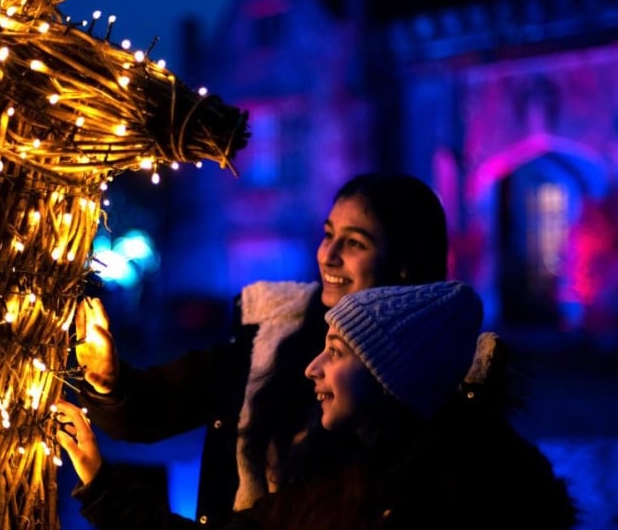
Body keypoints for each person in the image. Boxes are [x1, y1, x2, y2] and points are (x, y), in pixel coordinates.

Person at [72, 172, 450, 526]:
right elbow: (159, 404)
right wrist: (109, 381)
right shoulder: (275, 330)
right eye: (327, 234)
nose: (328, 255)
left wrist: (106, 489)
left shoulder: (431, 393)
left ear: (404, 264)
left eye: (354, 243)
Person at [56, 281, 578, 529]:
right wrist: (102, 481)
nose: (312, 369)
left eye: (336, 353)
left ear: (388, 373)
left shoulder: (472, 491)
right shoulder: (342, 478)